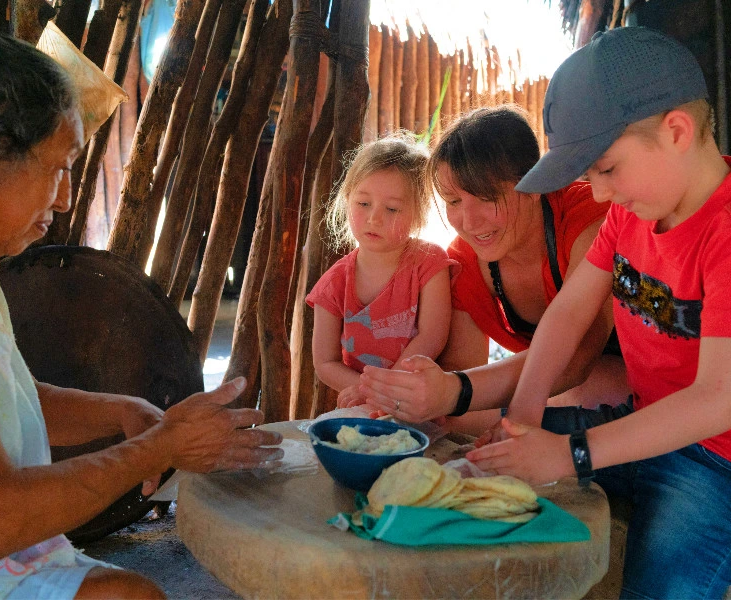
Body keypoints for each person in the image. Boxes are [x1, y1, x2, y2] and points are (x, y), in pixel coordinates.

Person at [0, 25, 283, 599]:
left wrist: (122, 412)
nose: (66, 196)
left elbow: (4, 397)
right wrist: (157, 448)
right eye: (59, 166)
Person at [466, 27, 731, 598]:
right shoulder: (633, 212)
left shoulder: (725, 232)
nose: (602, 194)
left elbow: (717, 399)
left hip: (718, 463)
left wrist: (569, 454)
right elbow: (569, 311)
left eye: (607, 169)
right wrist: (525, 415)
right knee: (479, 462)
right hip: (643, 424)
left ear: (677, 132)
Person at [358, 106, 629, 432]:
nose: (470, 223)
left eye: (487, 198)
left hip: (644, 393)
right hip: (550, 396)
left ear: (533, 185)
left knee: (596, 389)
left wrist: (454, 394)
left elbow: (577, 358)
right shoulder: (463, 263)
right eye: (454, 202)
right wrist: (410, 399)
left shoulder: (589, 217)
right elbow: (461, 383)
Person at [306, 134, 459, 408]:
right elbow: (325, 363)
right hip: (363, 405)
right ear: (347, 200)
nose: (375, 218)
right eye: (363, 204)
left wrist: (387, 388)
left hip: (419, 402)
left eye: (392, 209)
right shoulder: (332, 285)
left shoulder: (429, 263)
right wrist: (368, 391)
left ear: (419, 213)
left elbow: (432, 337)